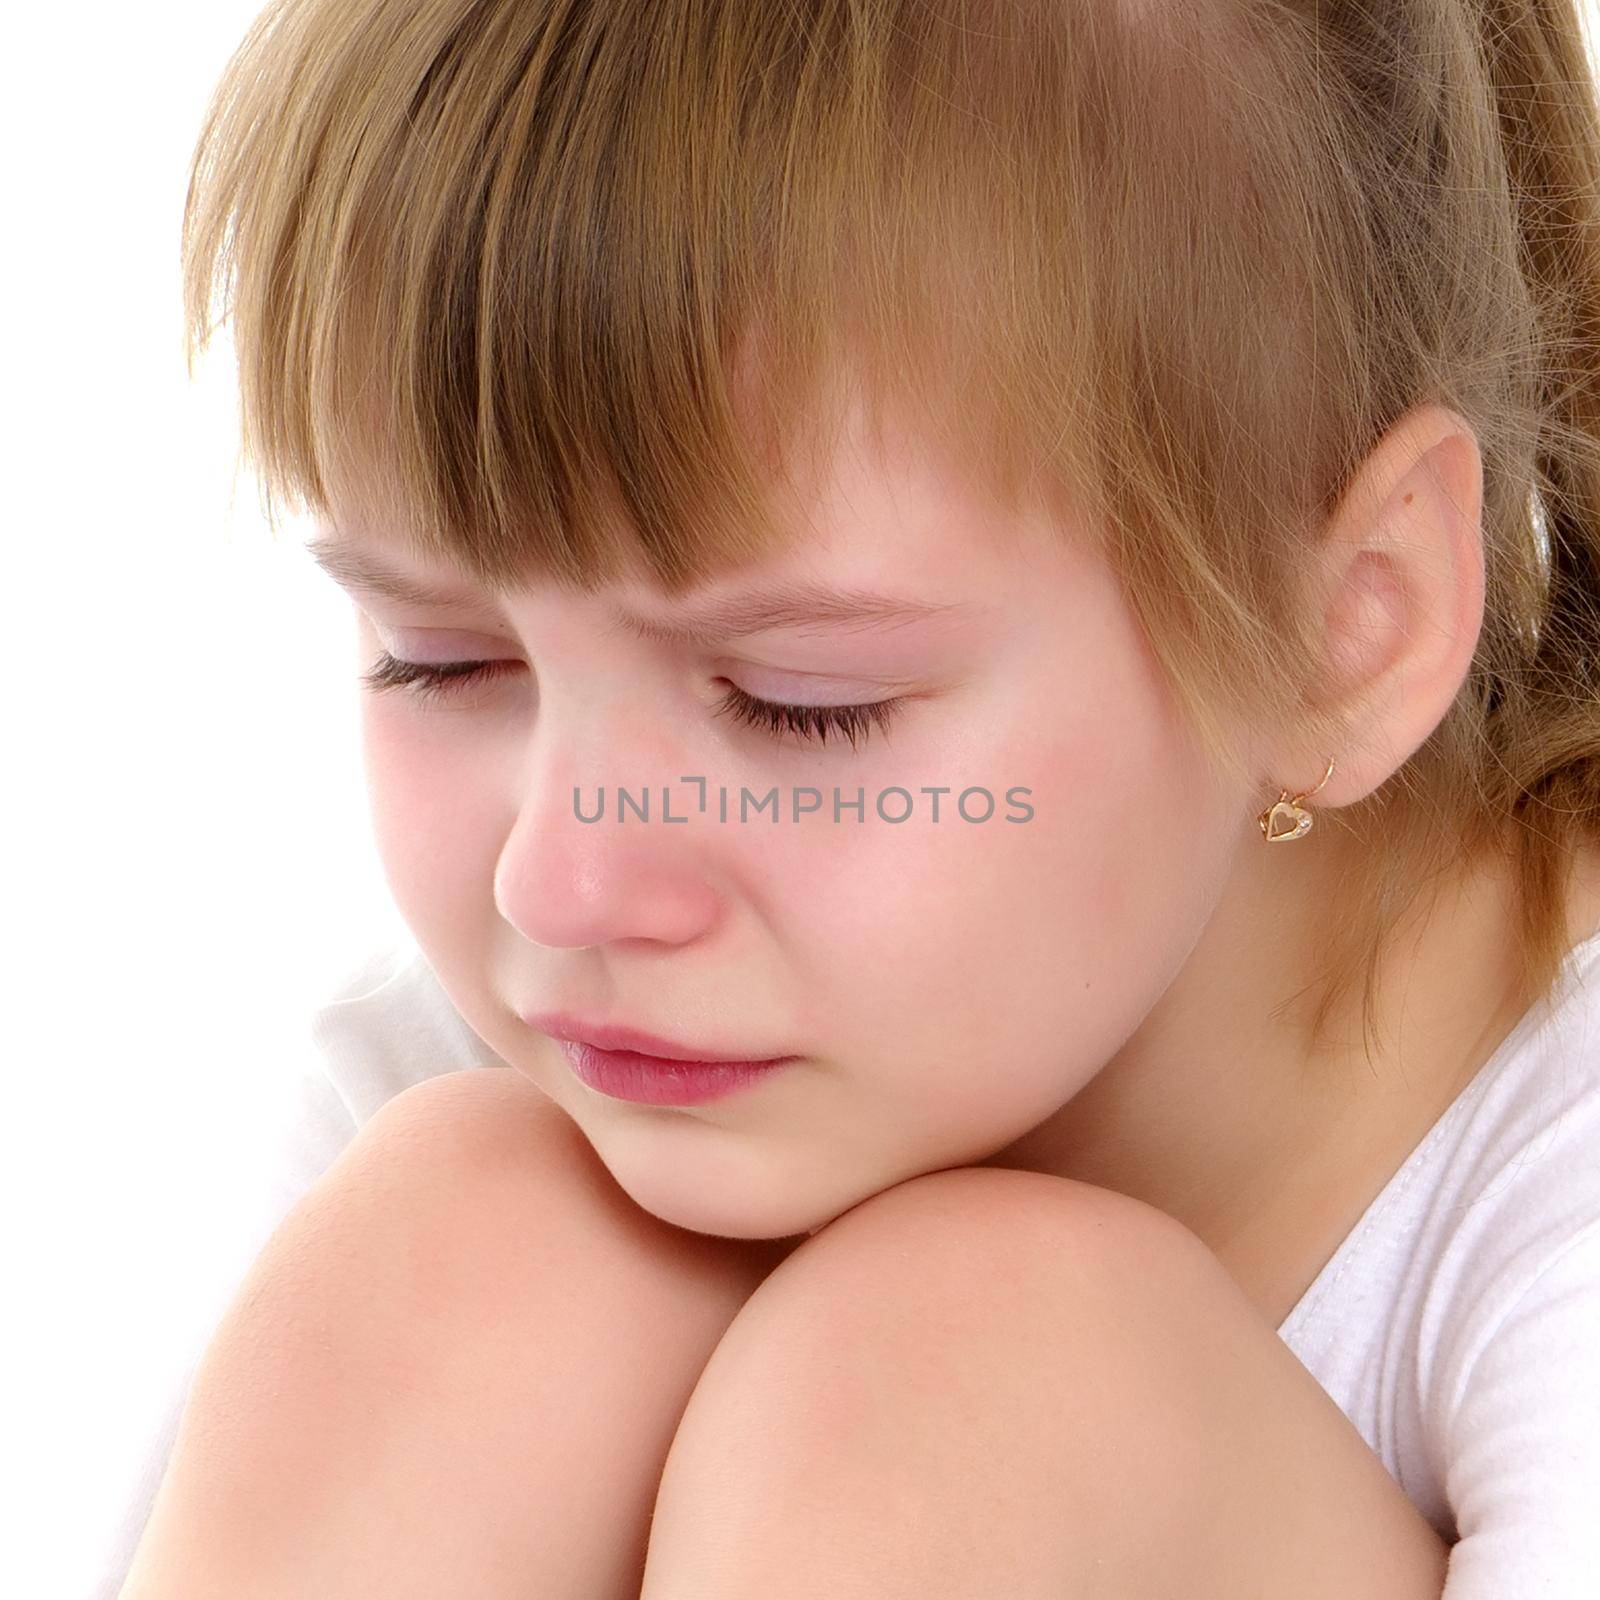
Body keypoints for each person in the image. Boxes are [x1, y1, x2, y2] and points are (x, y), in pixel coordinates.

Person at [107, 0, 1600, 1594]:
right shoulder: (469, 1103)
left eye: (801, 706)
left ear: (1343, 634)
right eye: (441, 660)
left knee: (958, 1374)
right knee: (470, 1252)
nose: (563, 885)